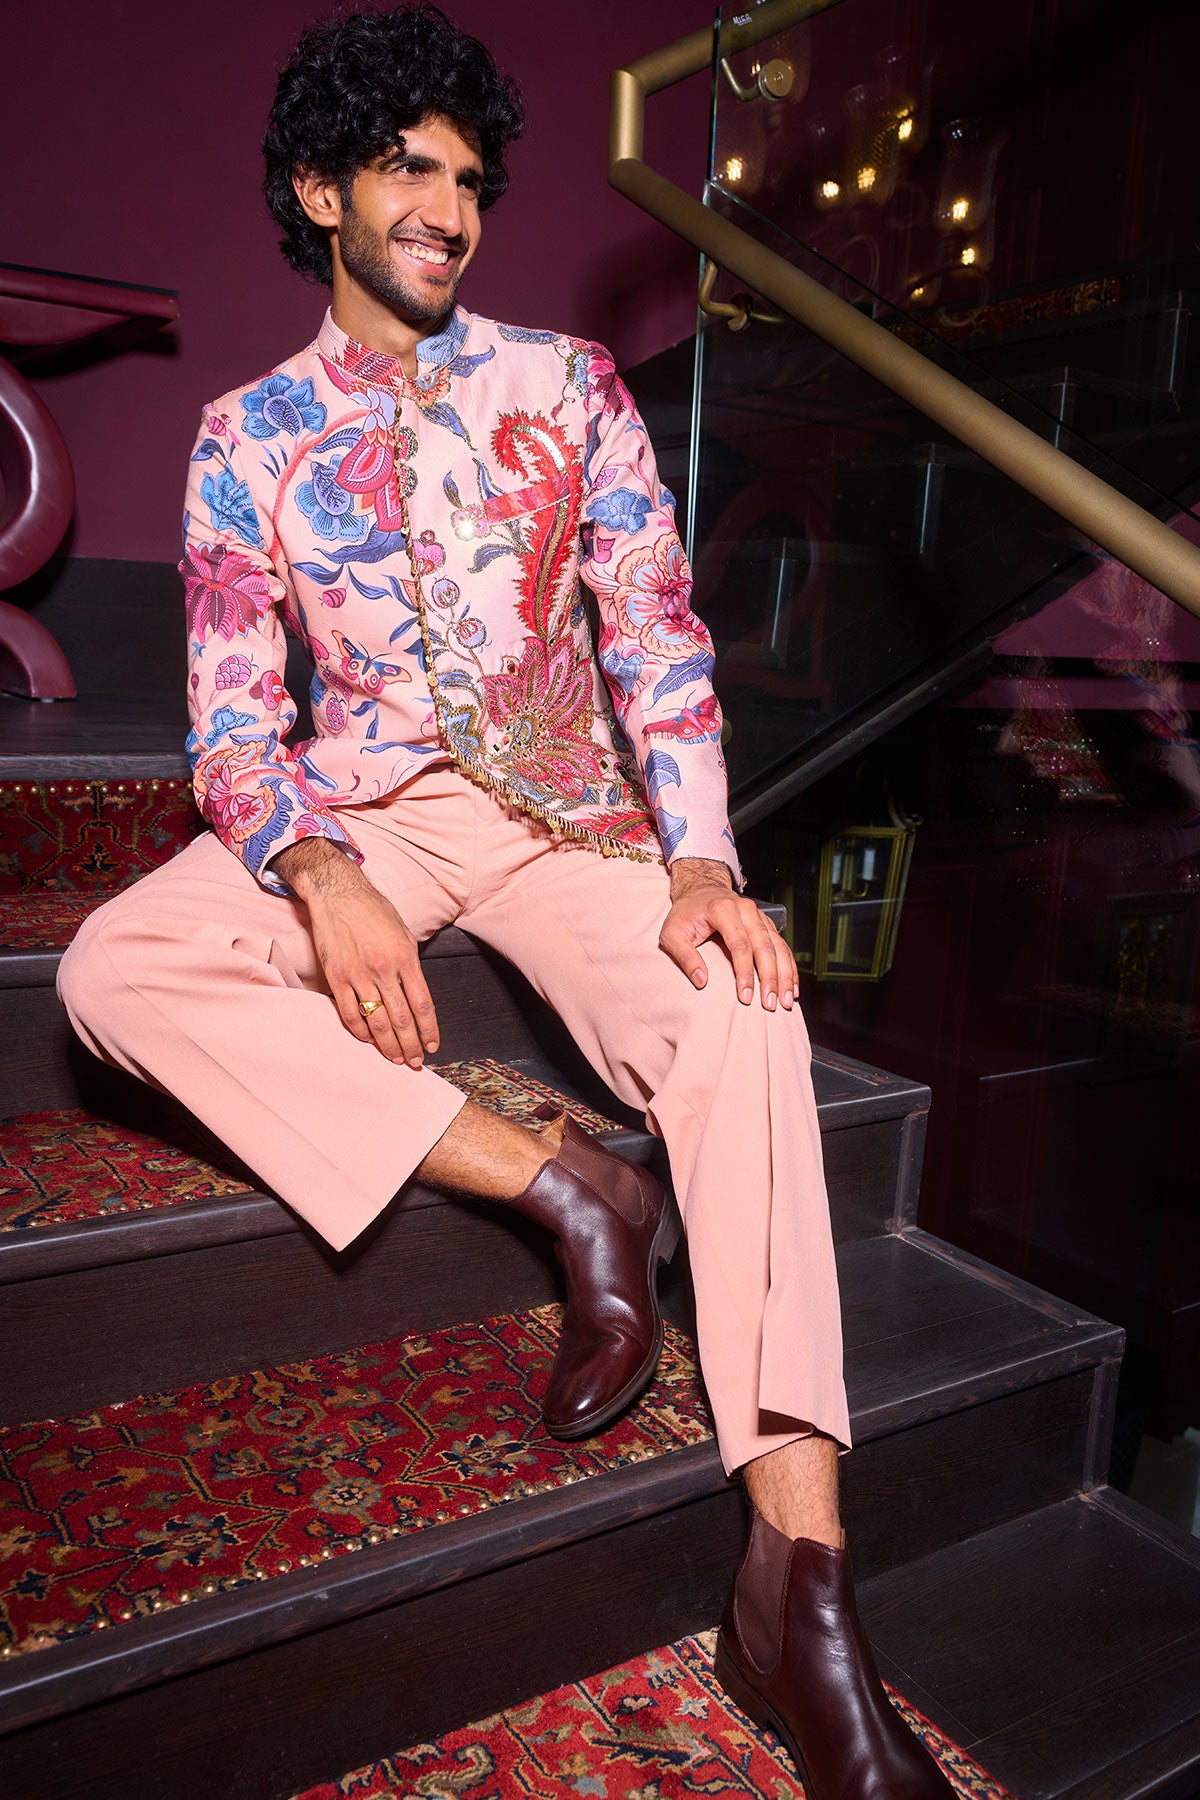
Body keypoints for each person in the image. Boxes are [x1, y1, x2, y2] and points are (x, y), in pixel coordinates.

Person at [57, 7, 950, 1793]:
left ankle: (800, 1591)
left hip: (566, 816)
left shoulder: (570, 384)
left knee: (749, 1009)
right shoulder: (245, 436)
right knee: (112, 968)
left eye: (471, 180)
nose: (449, 211)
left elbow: (658, 638)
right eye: (409, 169)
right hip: (369, 814)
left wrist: (702, 858)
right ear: (321, 191)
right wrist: (319, 866)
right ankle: (570, 1188)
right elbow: (233, 723)